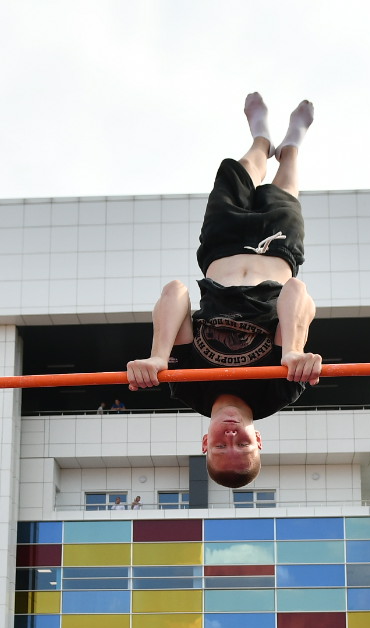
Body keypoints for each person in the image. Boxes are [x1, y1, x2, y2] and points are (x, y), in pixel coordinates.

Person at [125, 93, 321, 490]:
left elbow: (176, 292)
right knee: (284, 188)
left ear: (204, 443)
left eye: (220, 447)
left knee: (239, 171)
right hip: (277, 252)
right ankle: (294, 142)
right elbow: (297, 292)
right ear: (259, 440)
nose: (230, 436)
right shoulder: (280, 387)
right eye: (243, 444)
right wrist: (293, 352)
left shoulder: (185, 385)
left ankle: (262, 139)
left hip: (221, 249)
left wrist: (157, 356)